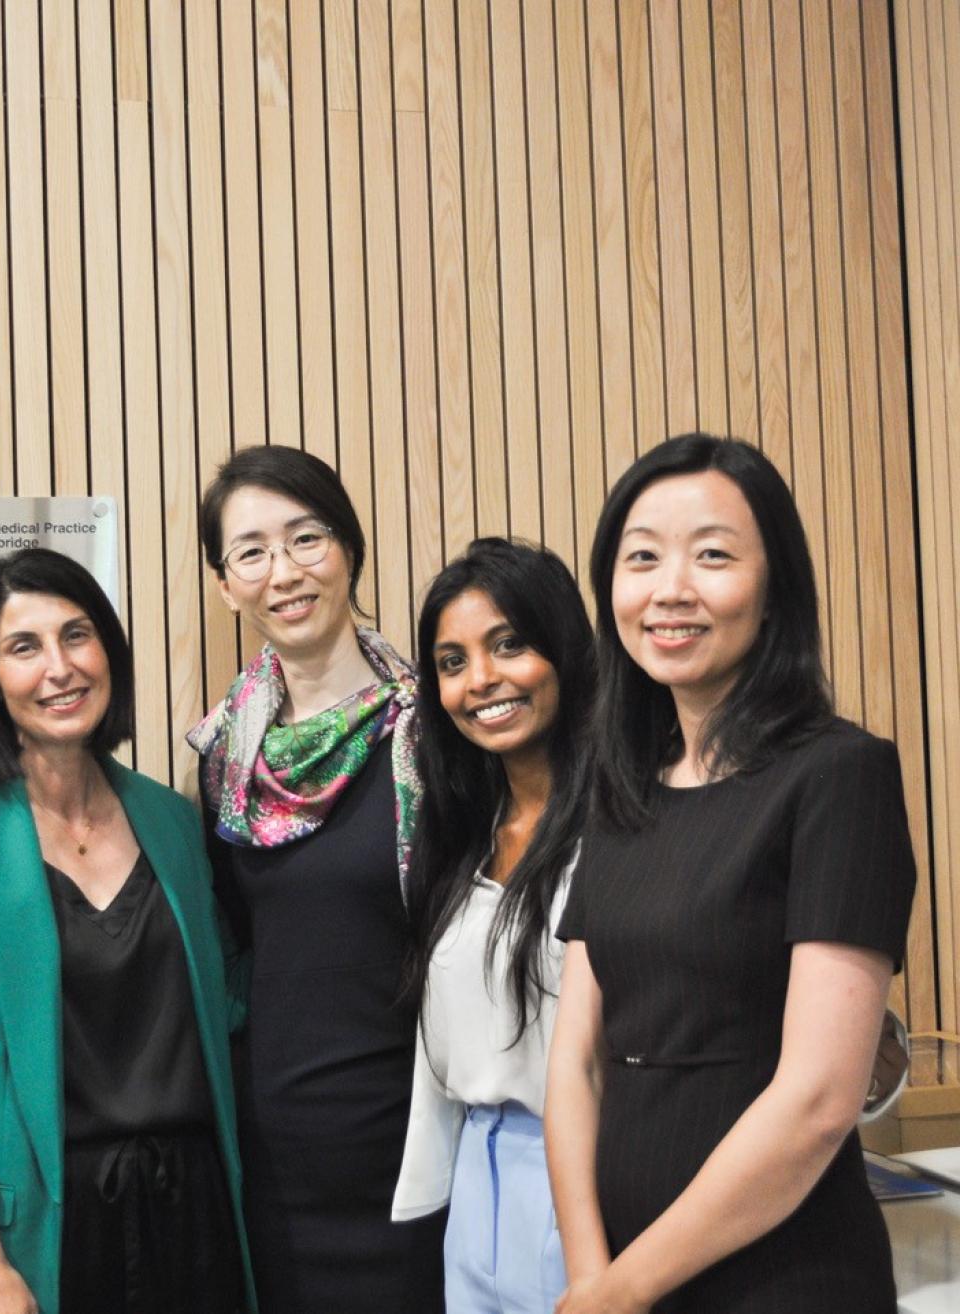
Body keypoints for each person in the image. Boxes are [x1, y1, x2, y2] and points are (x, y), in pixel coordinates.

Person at [545, 434, 918, 1313]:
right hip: (622, 1275)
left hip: (786, 1275)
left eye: (712, 555)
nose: (671, 588)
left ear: (773, 587)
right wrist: (592, 1276)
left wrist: (622, 1291)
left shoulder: (838, 774)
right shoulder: (618, 788)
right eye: (642, 558)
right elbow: (574, 1066)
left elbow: (821, 1098)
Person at [0, 548, 253, 1314]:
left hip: (194, 1218)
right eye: (24, 647)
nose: (60, 667)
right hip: (28, 1237)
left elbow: (232, 1007)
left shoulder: (174, 821)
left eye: (77, 635)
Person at [188, 445, 446, 1314]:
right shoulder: (225, 757)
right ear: (225, 584)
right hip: (275, 1165)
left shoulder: (436, 741)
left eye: (307, 538)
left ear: (349, 550)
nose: (284, 572)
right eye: (251, 552)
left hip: (416, 1155)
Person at [396, 538, 594, 1312]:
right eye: (452, 662)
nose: (481, 681)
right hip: (478, 1185)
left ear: (564, 648)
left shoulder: (626, 826)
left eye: (508, 644)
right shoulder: (462, 834)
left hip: (594, 1177)